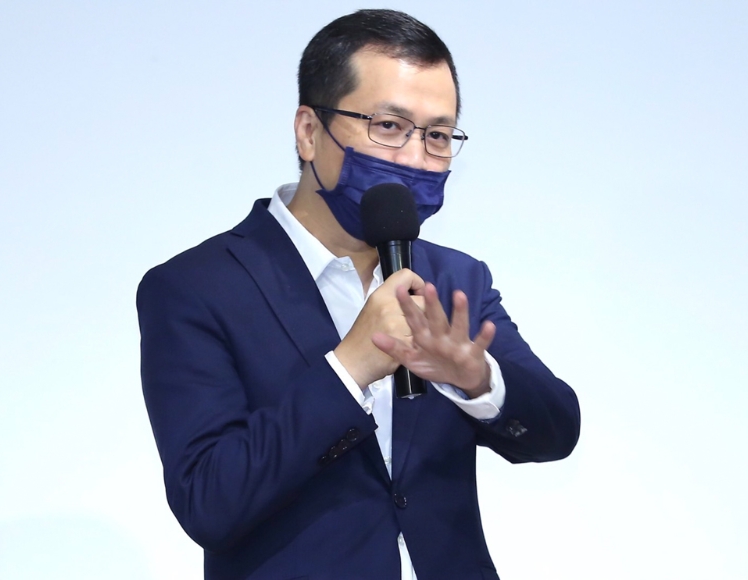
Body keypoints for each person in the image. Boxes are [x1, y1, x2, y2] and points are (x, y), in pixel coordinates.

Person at [137, 9, 580, 580]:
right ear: (308, 131)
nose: (416, 158)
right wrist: (348, 370)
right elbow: (209, 501)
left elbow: (556, 431)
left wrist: (478, 380)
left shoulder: (456, 279)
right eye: (389, 126)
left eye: (437, 136)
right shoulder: (195, 287)